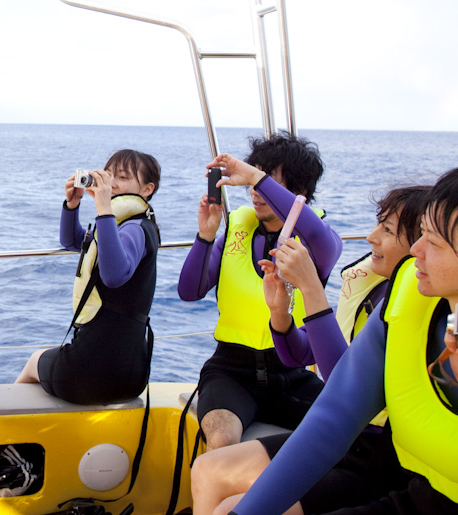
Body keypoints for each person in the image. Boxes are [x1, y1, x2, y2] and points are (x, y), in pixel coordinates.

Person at [226, 168, 458, 515]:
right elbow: (334, 410)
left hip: (377, 460)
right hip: (424, 494)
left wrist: (311, 291)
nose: (418, 250)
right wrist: (281, 317)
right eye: (422, 233)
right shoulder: (405, 300)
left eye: (435, 242)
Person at [178, 132, 343, 451]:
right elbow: (189, 291)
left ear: (300, 191)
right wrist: (205, 236)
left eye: (266, 182)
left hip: (290, 376)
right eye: (252, 181)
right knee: (221, 441)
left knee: (348, 434)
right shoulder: (237, 228)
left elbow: (311, 230)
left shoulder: (320, 241)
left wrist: (254, 173)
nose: (255, 191)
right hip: (230, 372)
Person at [15, 149, 161, 405]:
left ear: (148, 189)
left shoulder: (132, 228)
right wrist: (72, 205)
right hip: (131, 375)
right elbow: (73, 241)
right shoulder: (130, 224)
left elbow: (114, 275)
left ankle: (3, 435)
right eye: (109, 174)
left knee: (33, 362)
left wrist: (104, 207)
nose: (112, 183)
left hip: (86, 373)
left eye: (123, 177)